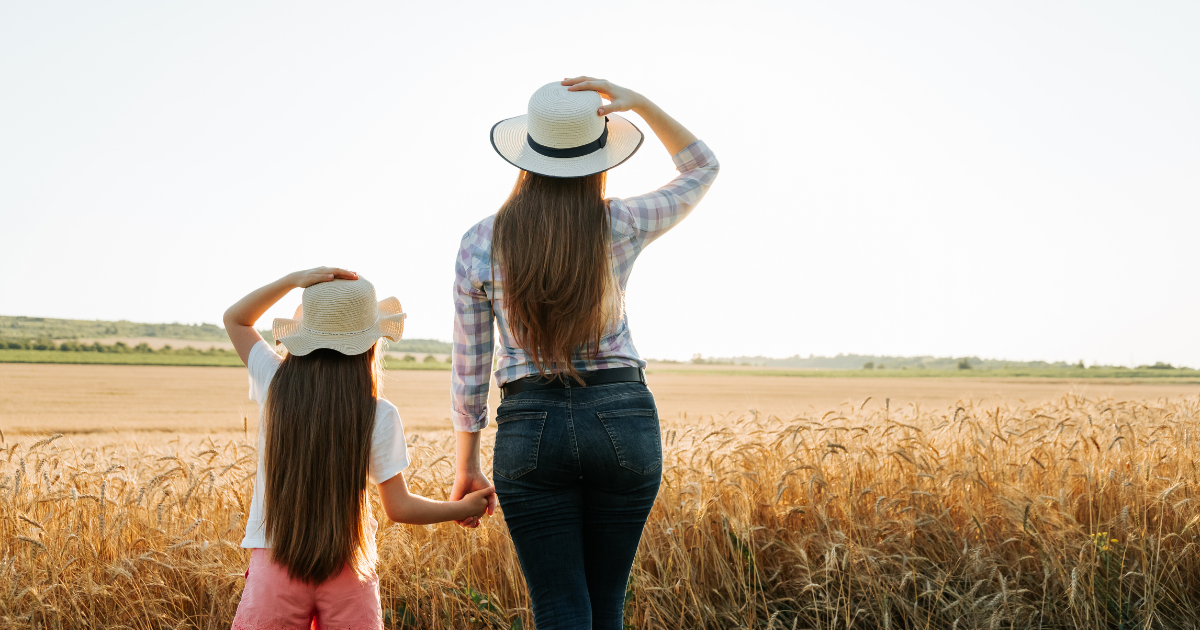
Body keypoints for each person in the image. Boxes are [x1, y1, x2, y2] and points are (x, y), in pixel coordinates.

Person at [450, 77, 720, 629]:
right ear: (599, 155)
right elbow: (701, 166)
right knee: (606, 607)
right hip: (622, 414)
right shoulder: (620, 222)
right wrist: (641, 102)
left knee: (560, 608)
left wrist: (467, 464)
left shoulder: (480, 241)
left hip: (529, 426)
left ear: (526, 154)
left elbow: (471, 368)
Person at [224, 269, 493, 630]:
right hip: (349, 566)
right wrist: (461, 508)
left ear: (304, 336)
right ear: (371, 342)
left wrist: (294, 280)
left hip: (275, 560)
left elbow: (236, 319)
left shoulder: (274, 383)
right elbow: (398, 507)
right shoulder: (378, 413)